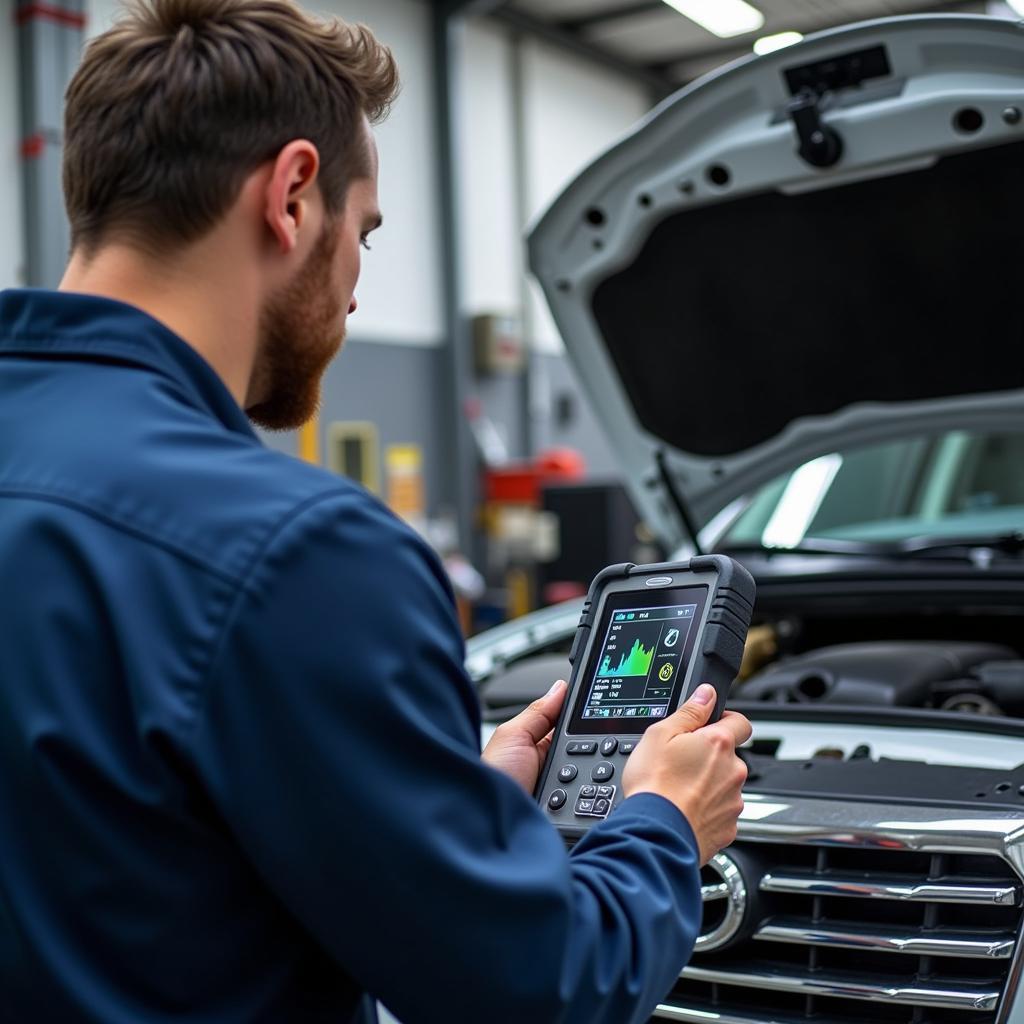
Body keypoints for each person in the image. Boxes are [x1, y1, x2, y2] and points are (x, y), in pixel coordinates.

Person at [0, 0, 752, 1020]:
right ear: (294, 195)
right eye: (365, 231)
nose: (355, 284)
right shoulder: (299, 553)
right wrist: (663, 817)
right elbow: (541, 986)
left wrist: (446, 800)